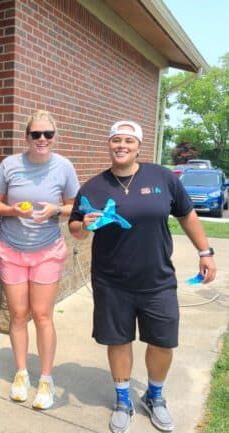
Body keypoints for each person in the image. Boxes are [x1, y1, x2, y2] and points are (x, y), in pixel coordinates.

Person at [68, 120, 217, 433]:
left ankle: (155, 395)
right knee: (118, 340)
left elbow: (187, 214)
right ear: (108, 144)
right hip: (111, 280)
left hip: (157, 279)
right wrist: (85, 226)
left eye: (128, 141)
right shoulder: (93, 186)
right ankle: (123, 399)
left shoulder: (161, 177)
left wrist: (205, 252)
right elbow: (76, 229)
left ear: (138, 145)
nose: (122, 146)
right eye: (116, 140)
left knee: (163, 342)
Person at [0, 110, 79, 410]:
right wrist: (12, 211)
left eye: (47, 134)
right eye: (36, 134)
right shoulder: (10, 165)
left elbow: (75, 207)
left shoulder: (64, 167)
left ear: (55, 137)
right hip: (11, 248)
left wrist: (55, 210)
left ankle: (46, 378)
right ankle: (21, 374)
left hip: (46, 249)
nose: (42, 139)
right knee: (18, 315)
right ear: (26, 136)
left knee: (42, 315)